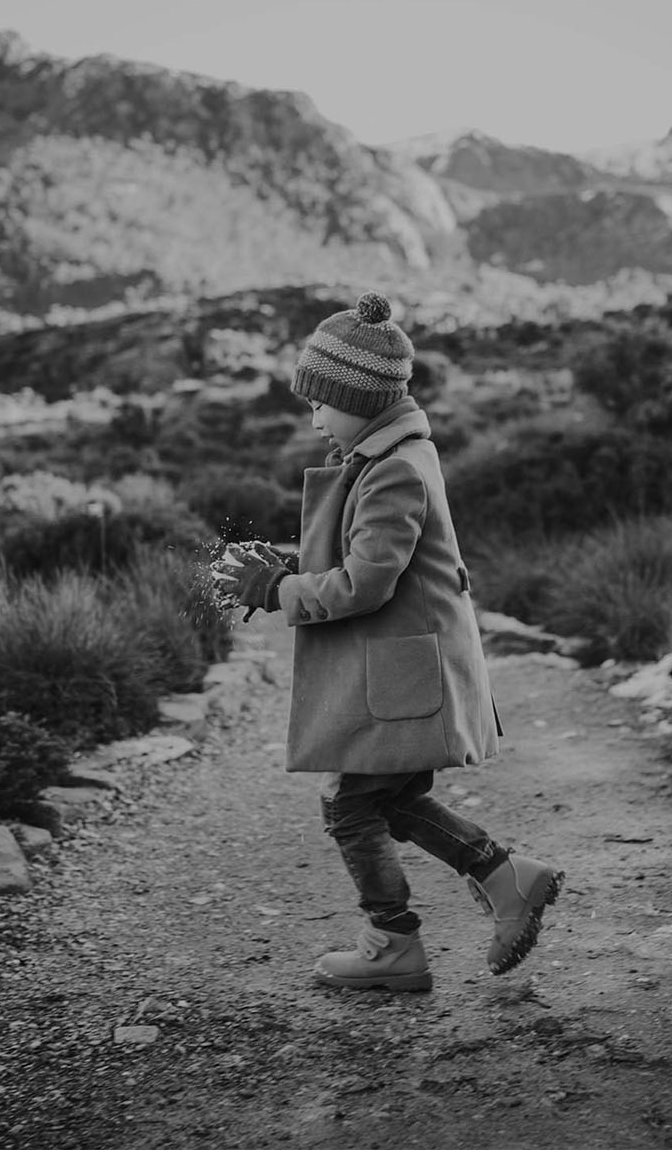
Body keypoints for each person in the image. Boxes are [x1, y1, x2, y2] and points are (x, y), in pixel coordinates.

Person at [214, 291, 564, 992]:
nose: (313, 416)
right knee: (389, 801)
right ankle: (504, 877)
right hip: (400, 668)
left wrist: (279, 592)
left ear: (357, 396)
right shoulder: (388, 455)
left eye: (320, 401)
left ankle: (393, 942)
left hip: (402, 675)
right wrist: (287, 567)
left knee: (351, 806)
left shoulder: (394, 468)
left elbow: (366, 582)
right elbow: (360, 558)